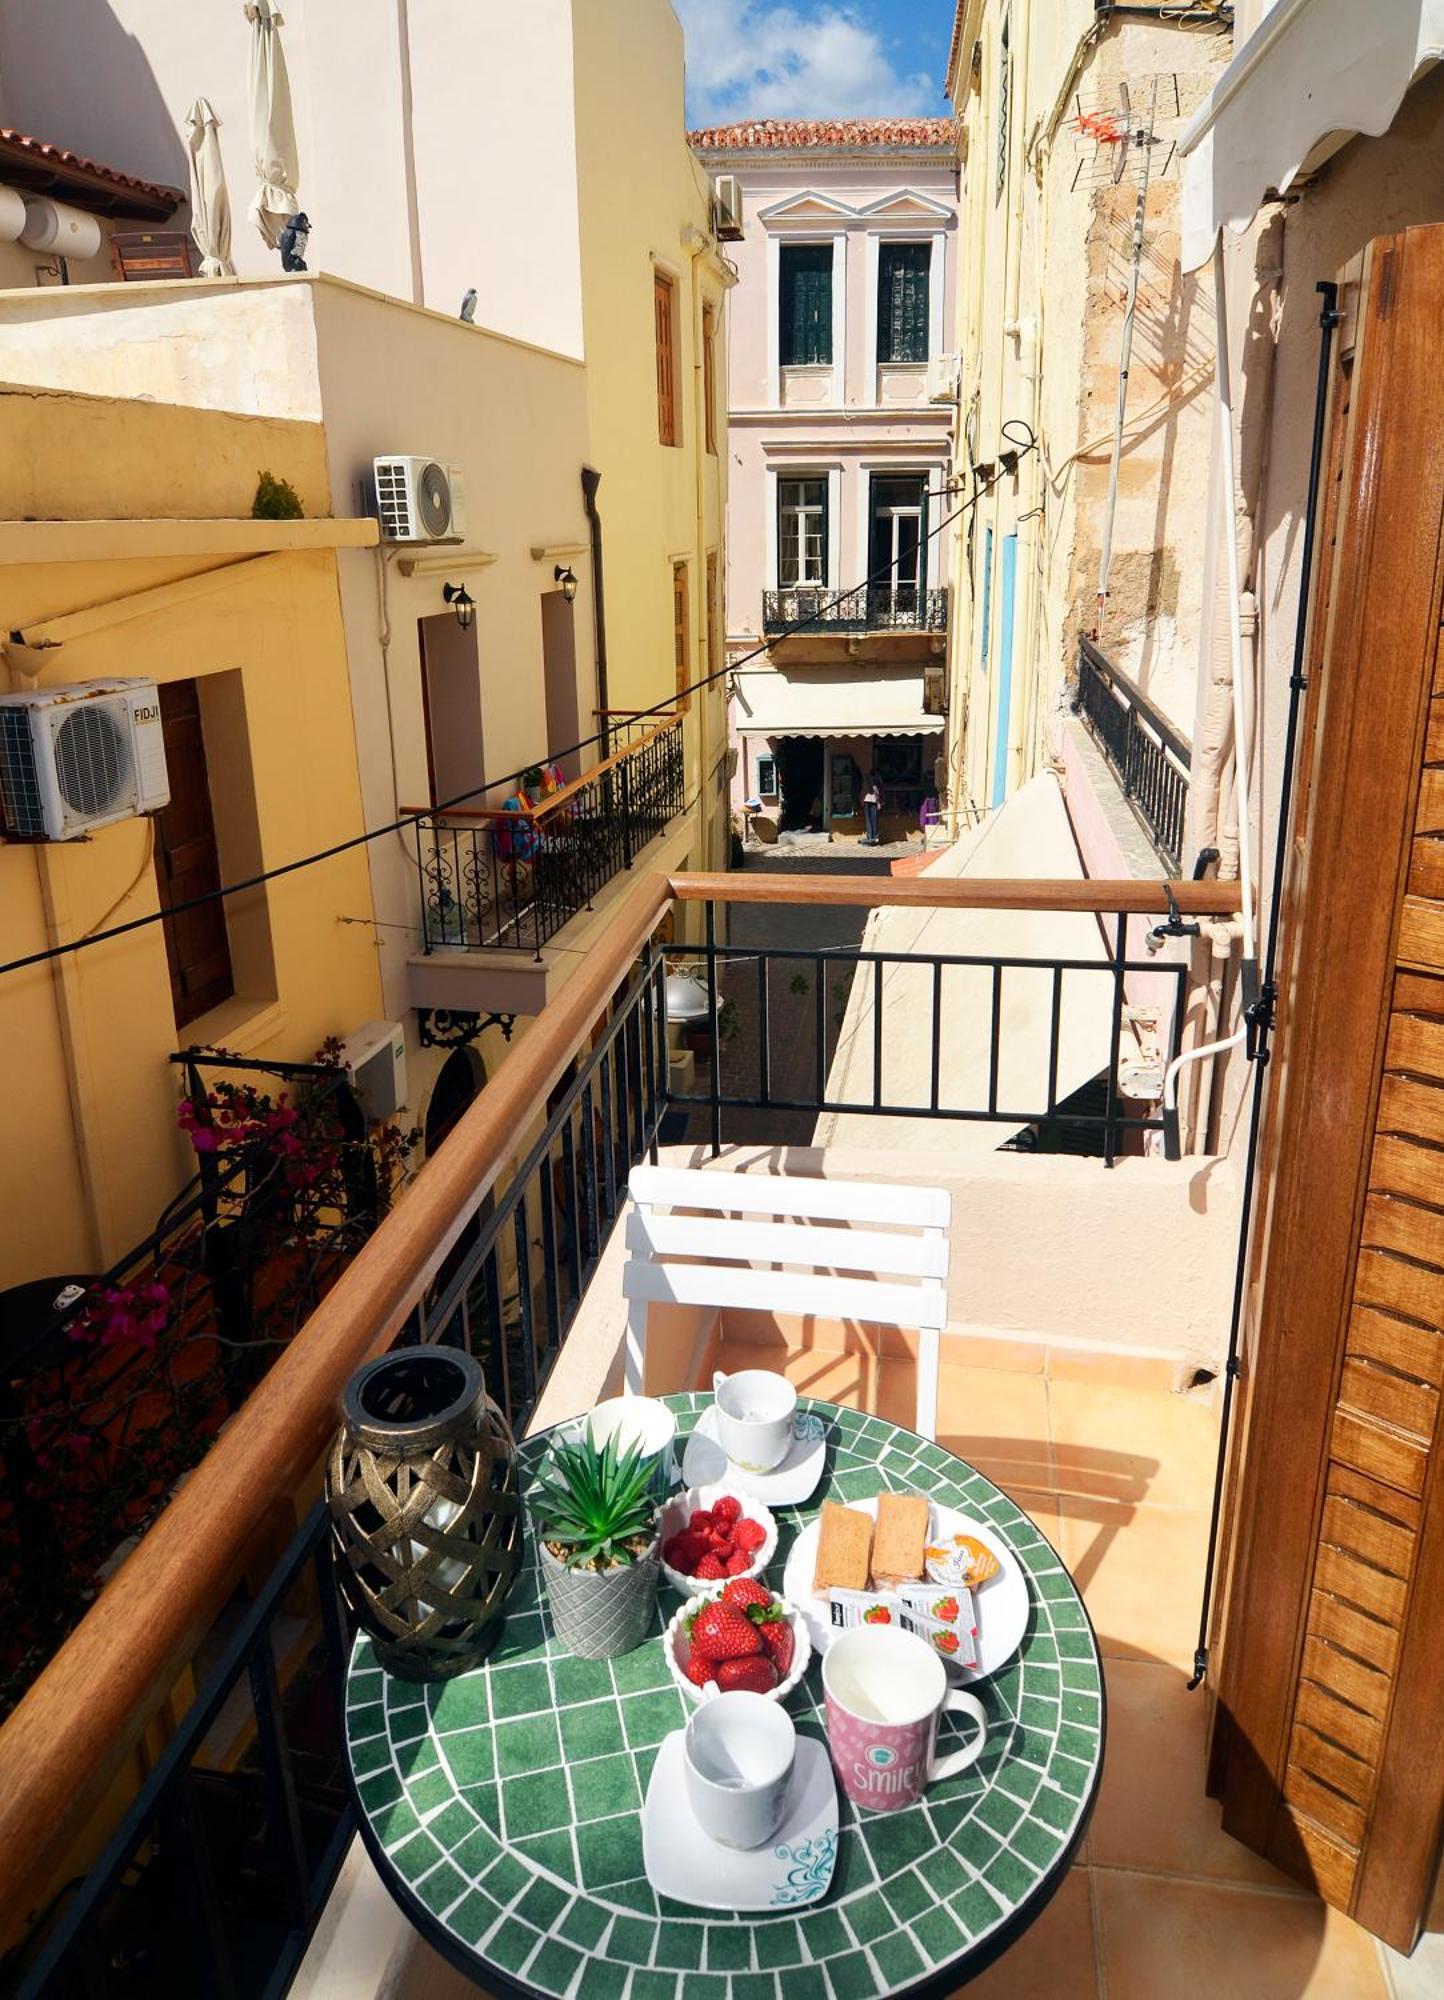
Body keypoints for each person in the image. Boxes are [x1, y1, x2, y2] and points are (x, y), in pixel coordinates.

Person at [862, 774, 882, 846]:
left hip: (866, 800)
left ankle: (870, 836)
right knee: (874, 819)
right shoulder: (873, 779)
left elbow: (863, 790)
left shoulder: (866, 779)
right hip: (873, 801)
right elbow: (875, 790)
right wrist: (878, 801)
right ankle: (873, 837)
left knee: (868, 820)